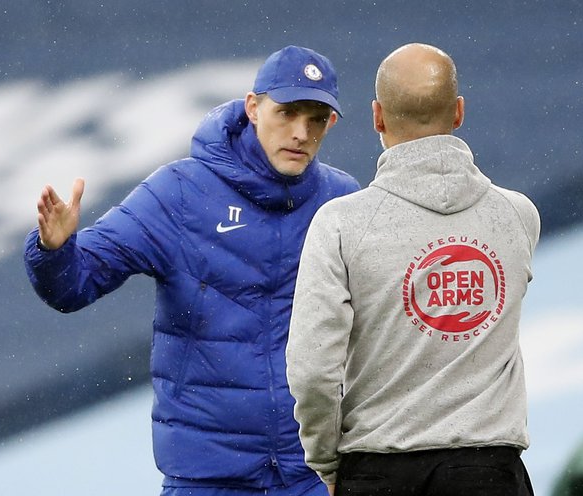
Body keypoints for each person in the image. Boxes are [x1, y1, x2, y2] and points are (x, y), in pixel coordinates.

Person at [23, 45, 360, 496]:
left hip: (312, 476)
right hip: (208, 477)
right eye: (288, 113)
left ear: (331, 123)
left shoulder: (342, 200)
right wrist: (54, 249)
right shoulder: (178, 194)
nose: (300, 132)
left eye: (316, 118)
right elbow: (73, 287)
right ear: (253, 108)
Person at [286, 43, 540, 496]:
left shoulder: (340, 224)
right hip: (490, 472)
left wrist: (327, 461)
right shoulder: (518, 215)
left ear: (377, 117)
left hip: (377, 472)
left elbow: (312, 370)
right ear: (458, 112)